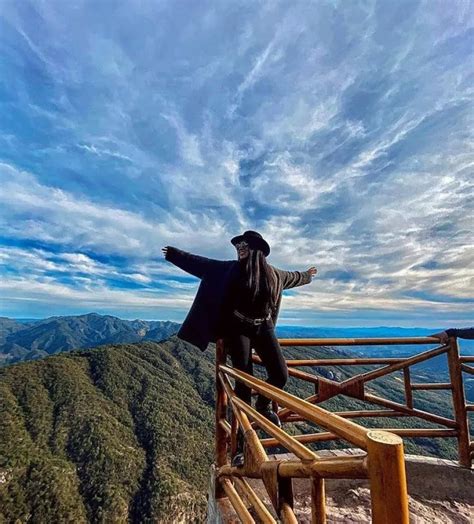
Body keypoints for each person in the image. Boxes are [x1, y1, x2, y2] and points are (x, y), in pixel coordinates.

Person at [162, 230, 317, 467]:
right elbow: (201, 264)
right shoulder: (230, 270)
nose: (239, 248)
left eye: (243, 244)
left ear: (256, 249)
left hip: (263, 327)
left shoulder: (275, 274)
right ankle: (243, 448)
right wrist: (174, 255)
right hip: (238, 330)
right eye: (237, 245)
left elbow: (296, 277)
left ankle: (264, 404)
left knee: (280, 374)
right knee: (243, 387)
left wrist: (308, 274)